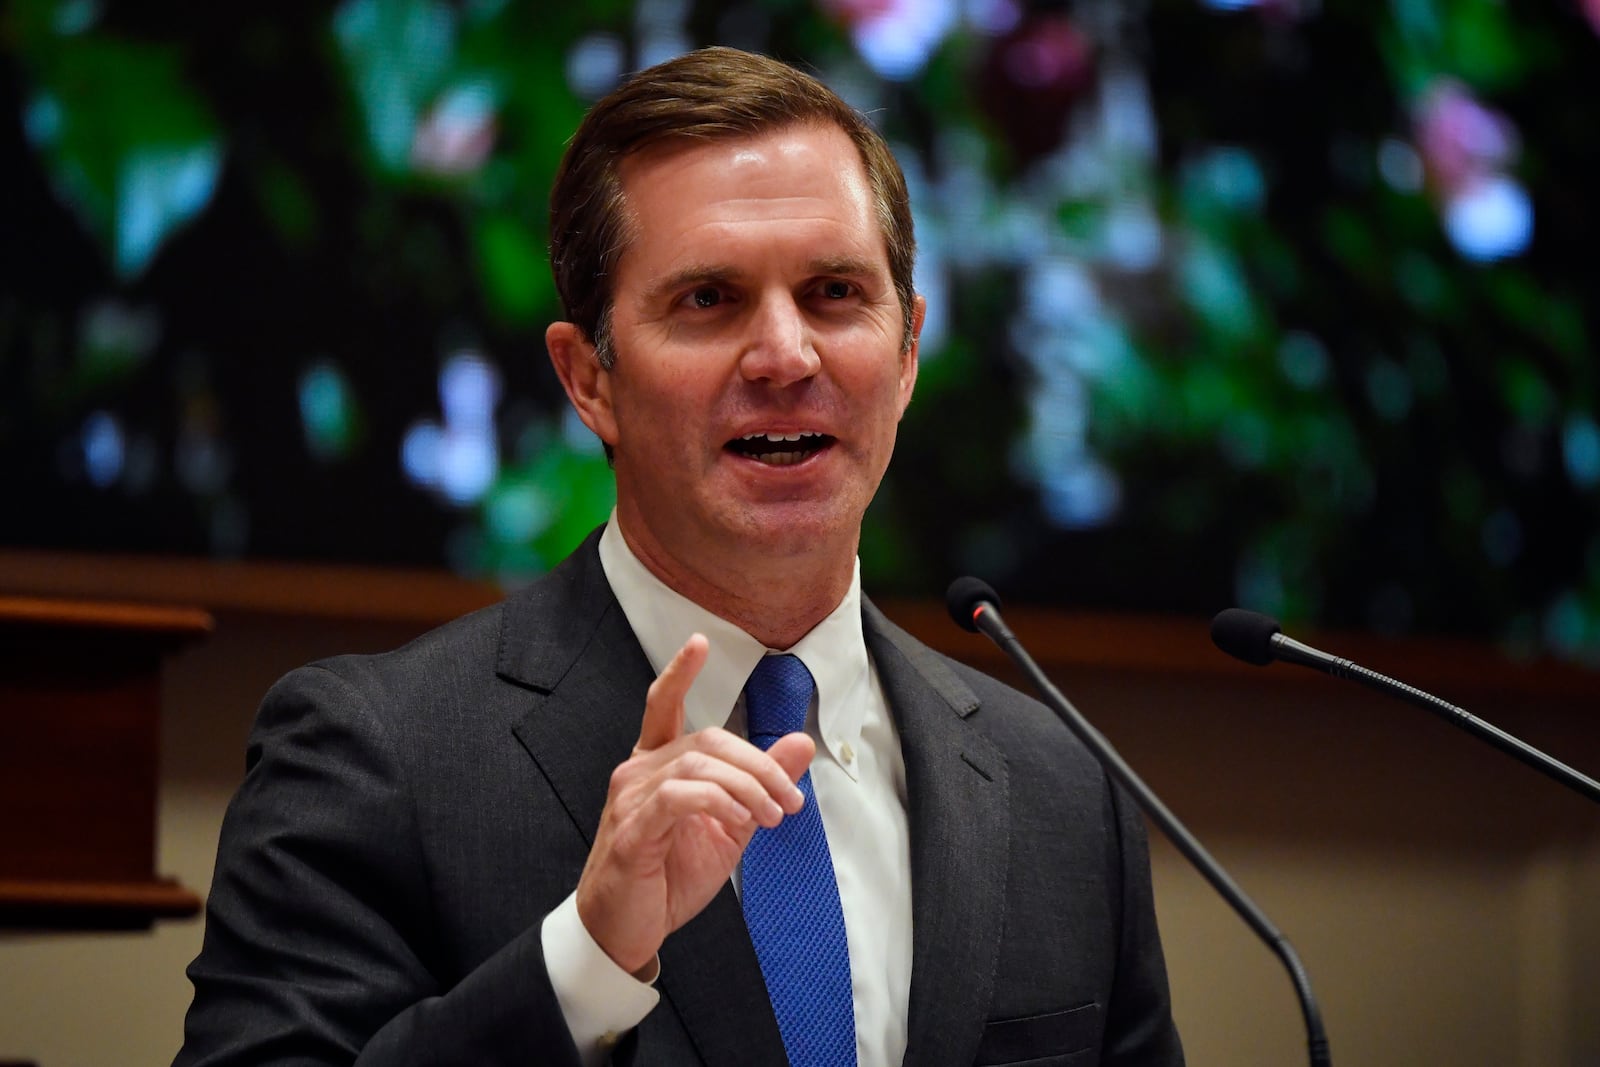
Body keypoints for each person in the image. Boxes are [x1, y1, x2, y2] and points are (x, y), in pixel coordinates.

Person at [175, 46, 1184, 1067]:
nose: (787, 355)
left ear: (908, 349)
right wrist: (587, 958)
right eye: (708, 299)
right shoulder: (372, 755)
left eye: (835, 291)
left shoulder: (1063, 787)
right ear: (588, 380)